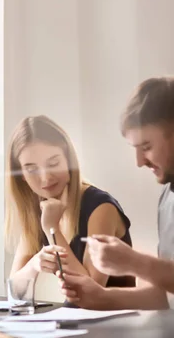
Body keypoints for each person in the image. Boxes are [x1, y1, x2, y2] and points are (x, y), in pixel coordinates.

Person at [60, 76, 174, 310]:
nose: (139, 162)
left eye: (147, 147)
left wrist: (136, 263)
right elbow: (166, 298)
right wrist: (101, 297)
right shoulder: (167, 197)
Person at [5, 115, 135, 298]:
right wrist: (34, 265)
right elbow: (15, 292)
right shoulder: (41, 207)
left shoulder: (101, 207)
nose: (45, 178)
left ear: (69, 160)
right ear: (22, 176)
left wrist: (52, 228)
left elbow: (90, 293)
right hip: (74, 321)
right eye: (31, 169)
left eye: (53, 163)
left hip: (114, 322)